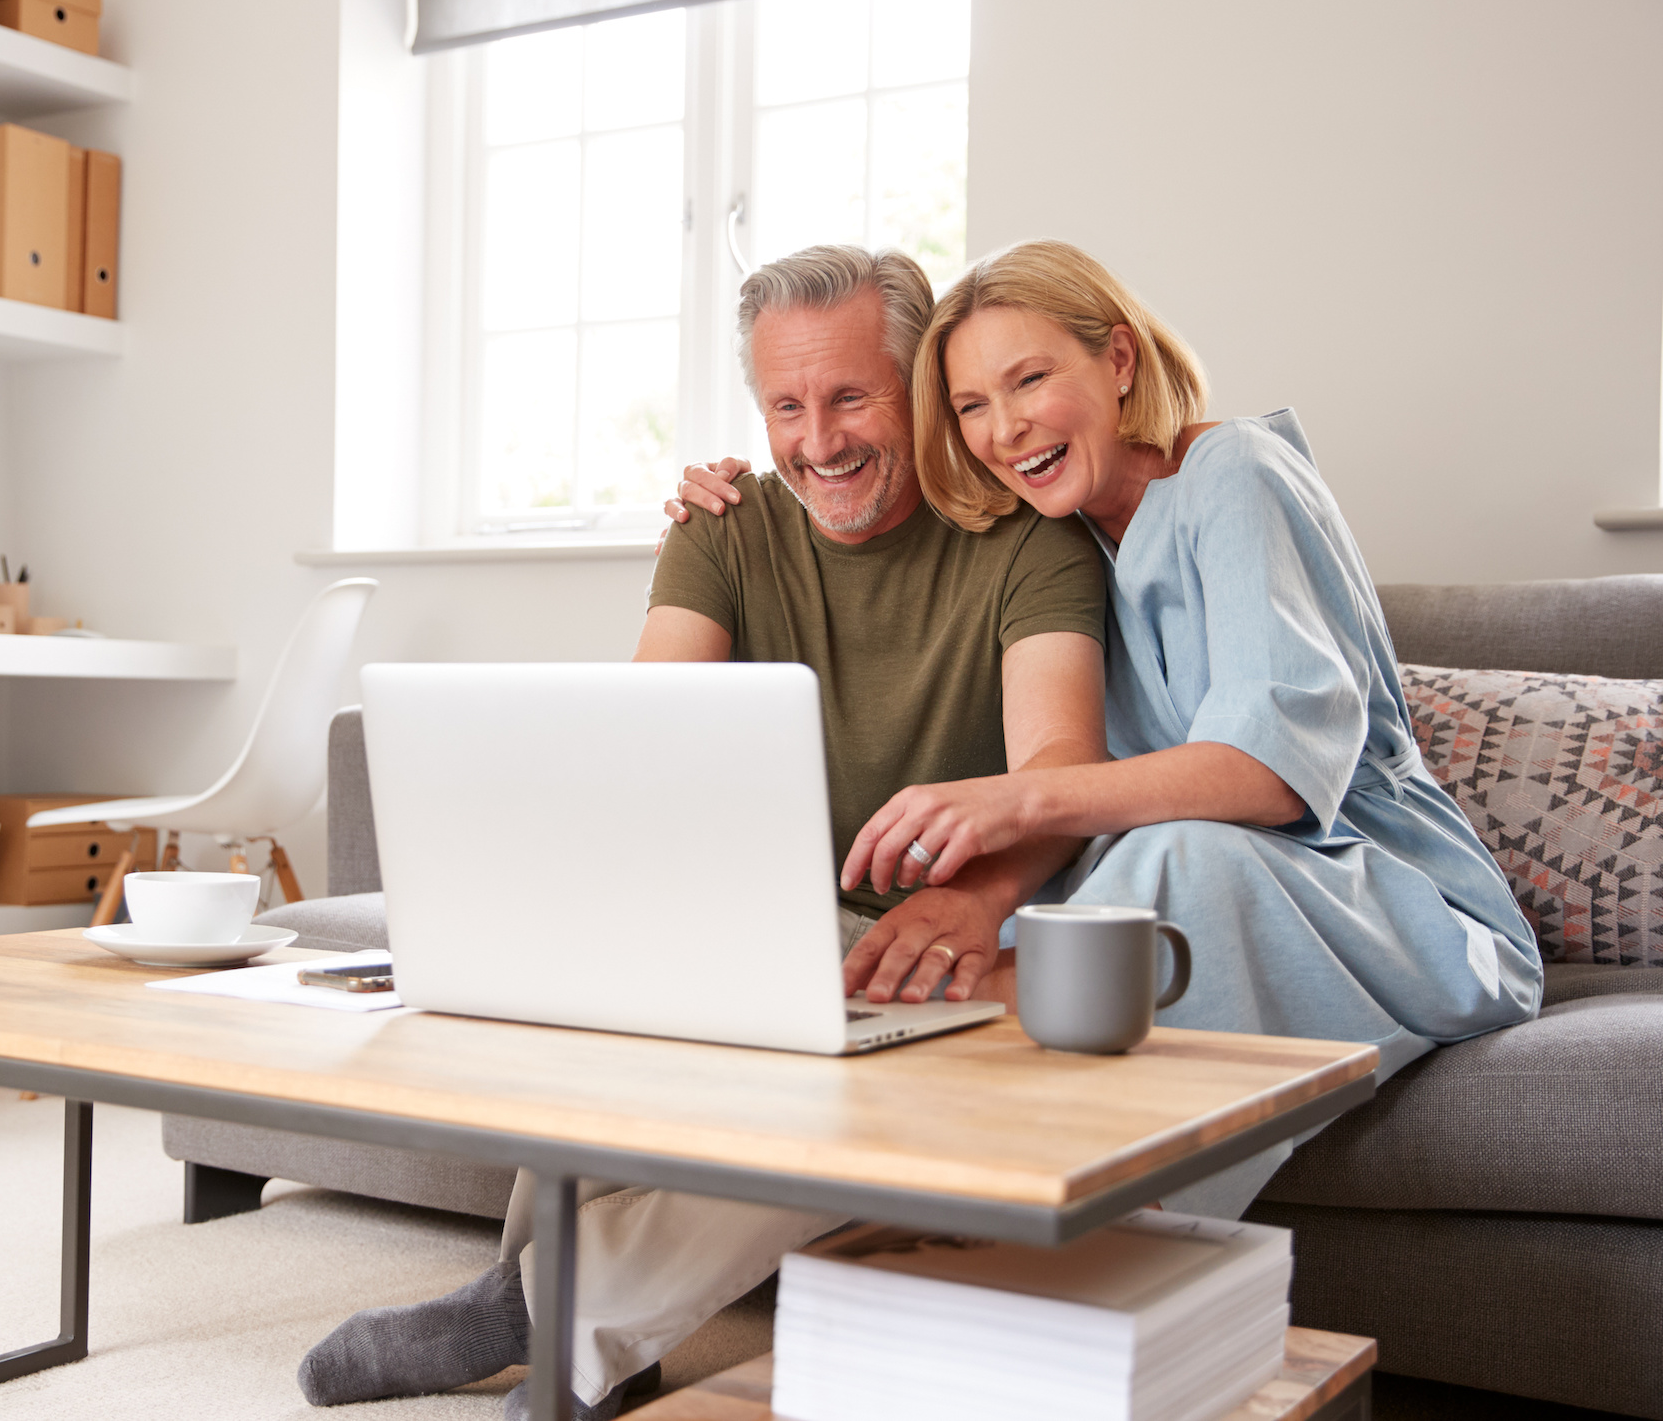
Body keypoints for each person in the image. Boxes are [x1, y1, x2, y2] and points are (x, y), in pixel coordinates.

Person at [296, 245, 1109, 1420]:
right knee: (599, 958)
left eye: (849, 397)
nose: (816, 440)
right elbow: (639, 744)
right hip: (750, 921)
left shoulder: (1027, 540)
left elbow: (1057, 769)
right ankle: (555, 1310)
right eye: (785, 405)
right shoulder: (724, 529)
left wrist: (978, 901)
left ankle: (542, 1322)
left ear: (921, 385)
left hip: (933, 952)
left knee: (849, 1088)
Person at [670, 238, 1543, 1218]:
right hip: (1182, 892)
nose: (1004, 429)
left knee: (1175, 863)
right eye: (969, 406)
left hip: (1387, 906)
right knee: (1071, 920)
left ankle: (1032, 1175)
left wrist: (1014, 801)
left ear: (1118, 362)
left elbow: (1270, 774)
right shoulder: (1063, 530)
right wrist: (731, 492)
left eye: (1028, 380)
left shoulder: (1236, 475)